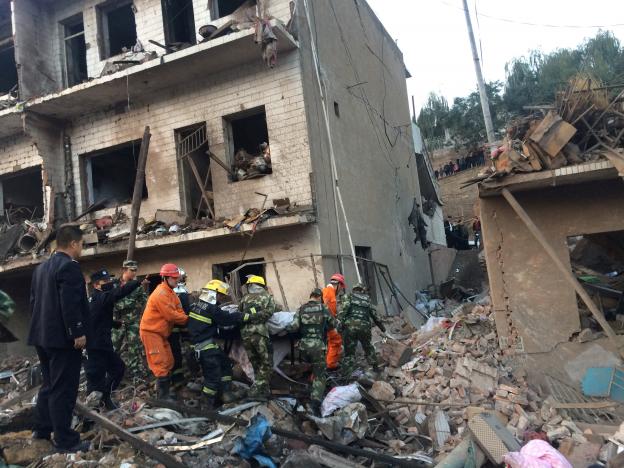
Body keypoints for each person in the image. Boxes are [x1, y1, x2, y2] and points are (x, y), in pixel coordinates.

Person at [27, 225, 90, 453]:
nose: (82, 249)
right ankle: (66, 440)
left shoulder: (41, 269)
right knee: (63, 389)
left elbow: (34, 303)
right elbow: (70, 304)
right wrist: (78, 332)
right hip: (63, 340)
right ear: (73, 244)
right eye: (82, 244)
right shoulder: (70, 268)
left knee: (49, 385)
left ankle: (41, 430)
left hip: (41, 336)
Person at [85, 268, 147, 409]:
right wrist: (135, 282)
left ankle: (106, 398)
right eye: (104, 281)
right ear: (95, 285)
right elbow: (118, 293)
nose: (108, 283)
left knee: (118, 368)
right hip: (95, 346)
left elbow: (97, 318)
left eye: (109, 280)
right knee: (96, 380)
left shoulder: (99, 298)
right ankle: (91, 415)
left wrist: (115, 323)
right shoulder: (99, 297)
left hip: (103, 344)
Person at [188, 279, 245, 409]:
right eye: (221, 295)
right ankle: (206, 406)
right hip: (206, 349)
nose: (221, 298)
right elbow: (226, 319)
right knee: (212, 379)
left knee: (225, 364)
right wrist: (243, 316)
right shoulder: (212, 309)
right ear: (215, 293)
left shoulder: (196, 305)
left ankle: (226, 393)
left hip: (198, 346)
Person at [139, 263, 189, 401]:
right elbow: (171, 315)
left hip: (160, 333)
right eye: (174, 278)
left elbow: (179, 311)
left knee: (168, 361)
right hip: (151, 332)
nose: (177, 280)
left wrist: (186, 318)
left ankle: (166, 392)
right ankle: (163, 397)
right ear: (165, 278)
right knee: (160, 363)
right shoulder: (161, 293)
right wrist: (189, 320)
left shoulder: (171, 293)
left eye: (177, 278)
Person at [288, 288, 336, 415]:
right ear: (319, 297)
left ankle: (303, 395)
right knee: (320, 375)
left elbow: (292, 327)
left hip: (303, 348)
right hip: (317, 347)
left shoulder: (301, 309)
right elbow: (333, 323)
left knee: (308, 369)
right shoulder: (323, 308)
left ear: (310, 296)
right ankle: (315, 402)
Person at [239, 275, 276, 400]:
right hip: (259, 334)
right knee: (267, 363)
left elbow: (240, 314)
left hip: (245, 335)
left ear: (250, 285)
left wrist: (248, 317)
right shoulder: (267, 297)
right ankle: (254, 391)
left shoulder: (244, 298)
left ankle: (263, 392)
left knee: (256, 364)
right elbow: (270, 312)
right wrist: (257, 316)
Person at [339, 283, 386, 378]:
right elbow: (375, 315)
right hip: (364, 327)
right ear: (362, 290)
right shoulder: (367, 299)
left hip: (350, 326)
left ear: (354, 290)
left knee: (349, 351)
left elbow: (344, 310)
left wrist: (341, 324)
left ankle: (347, 374)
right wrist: (382, 328)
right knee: (368, 347)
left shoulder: (348, 296)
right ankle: (375, 368)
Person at [112, 260, 149, 380]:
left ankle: (136, 373)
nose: (134, 273)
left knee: (135, 347)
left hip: (133, 320)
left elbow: (145, 301)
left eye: (135, 270)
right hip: (117, 320)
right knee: (113, 346)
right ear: (124, 270)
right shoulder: (113, 285)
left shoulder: (136, 286)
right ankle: (111, 371)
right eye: (131, 270)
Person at [171, 268, 191, 388]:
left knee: (175, 353)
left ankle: (176, 376)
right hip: (179, 329)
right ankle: (178, 378)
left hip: (171, 329)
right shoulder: (182, 293)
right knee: (178, 353)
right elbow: (186, 313)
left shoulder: (170, 292)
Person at [323, 273, 345, 371]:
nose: (340, 290)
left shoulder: (327, 291)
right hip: (325, 323)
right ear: (339, 285)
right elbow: (327, 311)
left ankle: (329, 362)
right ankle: (330, 364)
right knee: (336, 340)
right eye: (341, 288)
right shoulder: (329, 293)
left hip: (323, 323)